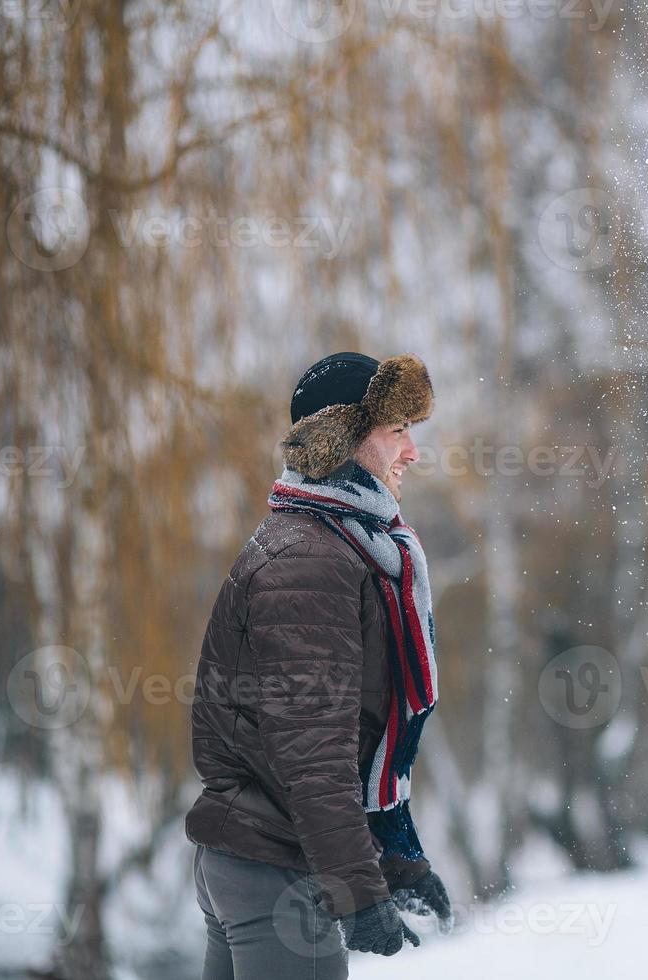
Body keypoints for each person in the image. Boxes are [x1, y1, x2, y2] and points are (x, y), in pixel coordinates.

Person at [185, 351, 453, 979]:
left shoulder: (324, 543)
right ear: (346, 439)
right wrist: (357, 891)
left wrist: (395, 859)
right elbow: (311, 749)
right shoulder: (312, 560)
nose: (412, 452)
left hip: (255, 859)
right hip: (276, 869)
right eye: (397, 431)